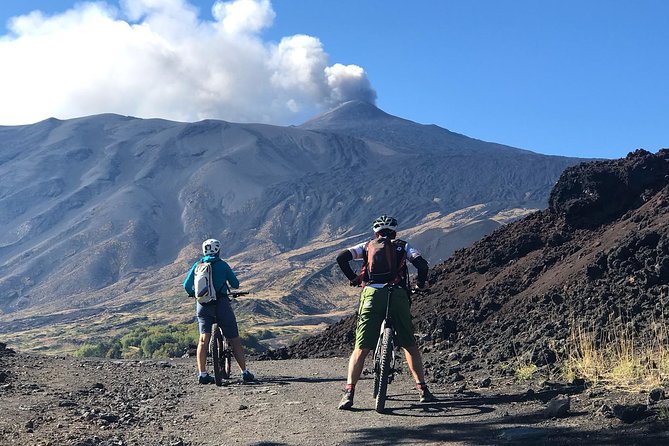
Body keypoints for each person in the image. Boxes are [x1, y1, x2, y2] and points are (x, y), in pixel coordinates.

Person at [335, 215, 436, 409]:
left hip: (372, 295)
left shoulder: (366, 246)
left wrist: (354, 278)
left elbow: (341, 257)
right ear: (395, 232)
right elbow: (422, 265)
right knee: (409, 344)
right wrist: (421, 284)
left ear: (376, 233)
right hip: (397, 296)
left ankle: (349, 392)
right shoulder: (403, 247)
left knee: (361, 347)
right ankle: (422, 389)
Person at [183, 238, 254, 384]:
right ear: (218, 250)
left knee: (203, 339)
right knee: (234, 338)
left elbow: (186, 285)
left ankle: (202, 374)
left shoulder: (198, 265)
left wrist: (194, 293)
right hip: (221, 304)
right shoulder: (222, 265)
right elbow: (235, 284)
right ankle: (244, 372)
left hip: (203, 305)